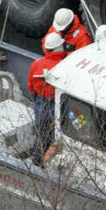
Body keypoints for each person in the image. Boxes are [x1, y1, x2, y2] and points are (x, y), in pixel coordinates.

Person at [27, 32, 67, 164]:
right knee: (58, 134)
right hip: (59, 104)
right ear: (59, 47)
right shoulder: (64, 65)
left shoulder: (36, 64)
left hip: (41, 103)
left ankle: (37, 161)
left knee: (41, 134)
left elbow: (31, 86)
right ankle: (50, 160)